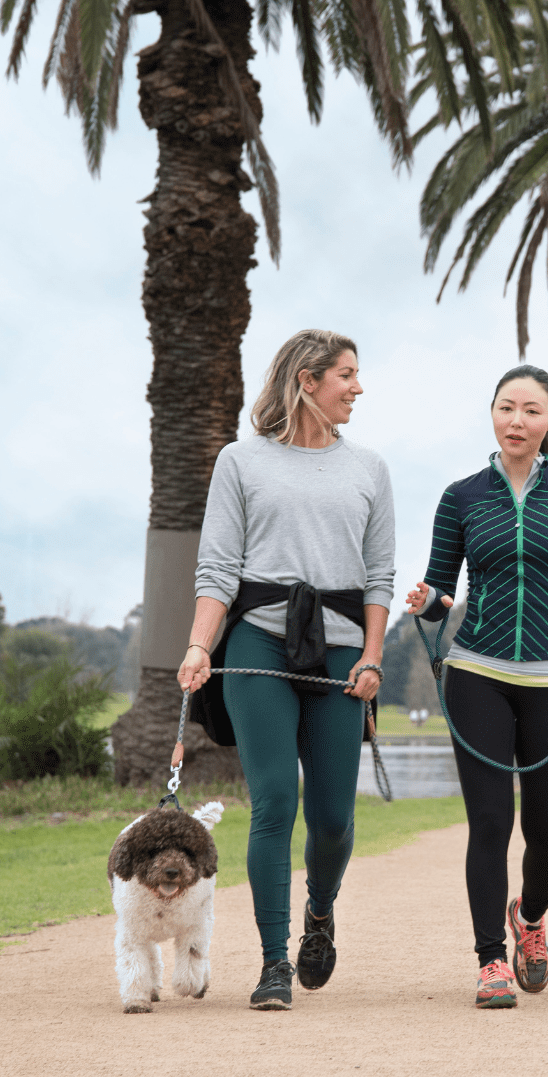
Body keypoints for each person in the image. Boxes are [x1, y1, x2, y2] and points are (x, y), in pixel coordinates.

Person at [176, 329, 393, 1012]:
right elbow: (217, 568)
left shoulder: (370, 469)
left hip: (338, 648)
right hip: (259, 644)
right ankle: (273, 963)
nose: (358, 387)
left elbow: (379, 578)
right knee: (275, 802)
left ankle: (319, 913)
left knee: (331, 819)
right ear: (307, 380)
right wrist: (199, 646)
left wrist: (372, 658)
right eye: (346, 375)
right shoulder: (241, 462)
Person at [404, 364, 548, 1010]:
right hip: (476, 672)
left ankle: (529, 919)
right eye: (507, 408)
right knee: (489, 822)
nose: (517, 420)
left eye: (532, 410)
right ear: (493, 416)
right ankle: (489, 960)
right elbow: (440, 592)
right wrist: (427, 601)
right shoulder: (462, 496)